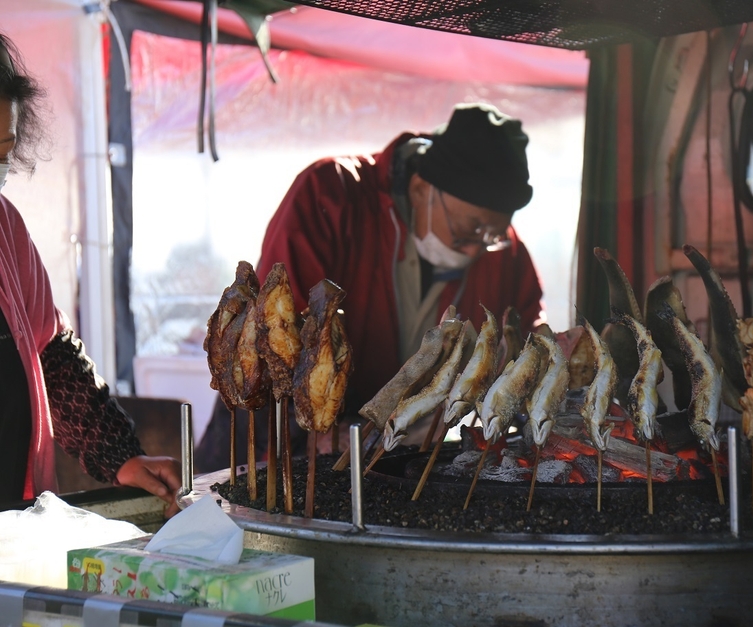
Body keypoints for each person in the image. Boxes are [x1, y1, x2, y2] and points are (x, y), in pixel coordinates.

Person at [196, 103, 545, 471]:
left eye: (491, 236)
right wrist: (317, 425)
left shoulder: (504, 251)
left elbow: (523, 342)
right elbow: (278, 333)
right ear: (421, 188)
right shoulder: (331, 193)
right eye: (466, 232)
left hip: (401, 455)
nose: (477, 249)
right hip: (283, 438)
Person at [0, 33, 182, 515]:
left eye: (2, 151)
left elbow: (52, 355)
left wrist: (121, 456)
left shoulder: (6, 228)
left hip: (15, 525)